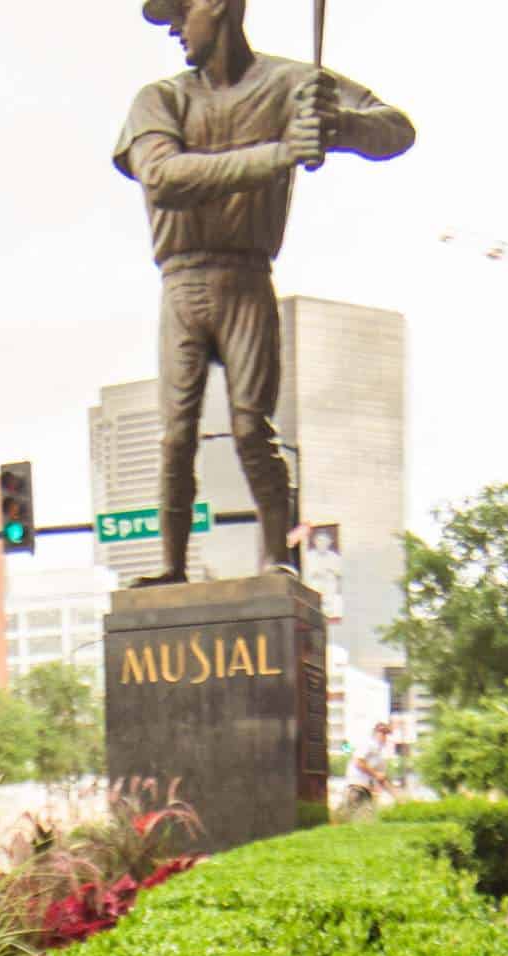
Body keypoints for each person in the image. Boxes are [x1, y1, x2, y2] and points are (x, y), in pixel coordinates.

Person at [116, 0, 415, 583]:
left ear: (218, 6)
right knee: (176, 437)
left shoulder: (292, 84)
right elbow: (164, 177)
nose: (175, 29)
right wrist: (282, 152)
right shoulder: (159, 99)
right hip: (181, 279)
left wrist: (338, 125)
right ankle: (172, 570)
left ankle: (277, 556)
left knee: (254, 430)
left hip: (247, 277)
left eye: (181, 13)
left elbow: (396, 131)